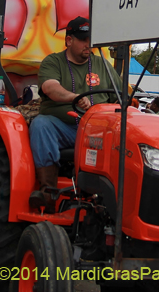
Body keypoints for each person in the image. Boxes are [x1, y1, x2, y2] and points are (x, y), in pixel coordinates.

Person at [29, 16, 119, 212]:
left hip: (98, 130)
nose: (89, 44)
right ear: (69, 40)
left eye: (91, 40)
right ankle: (48, 193)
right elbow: (50, 87)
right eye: (83, 39)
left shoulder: (104, 65)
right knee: (41, 125)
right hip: (66, 128)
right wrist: (74, 97)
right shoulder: (53, 62)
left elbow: (121, 98)